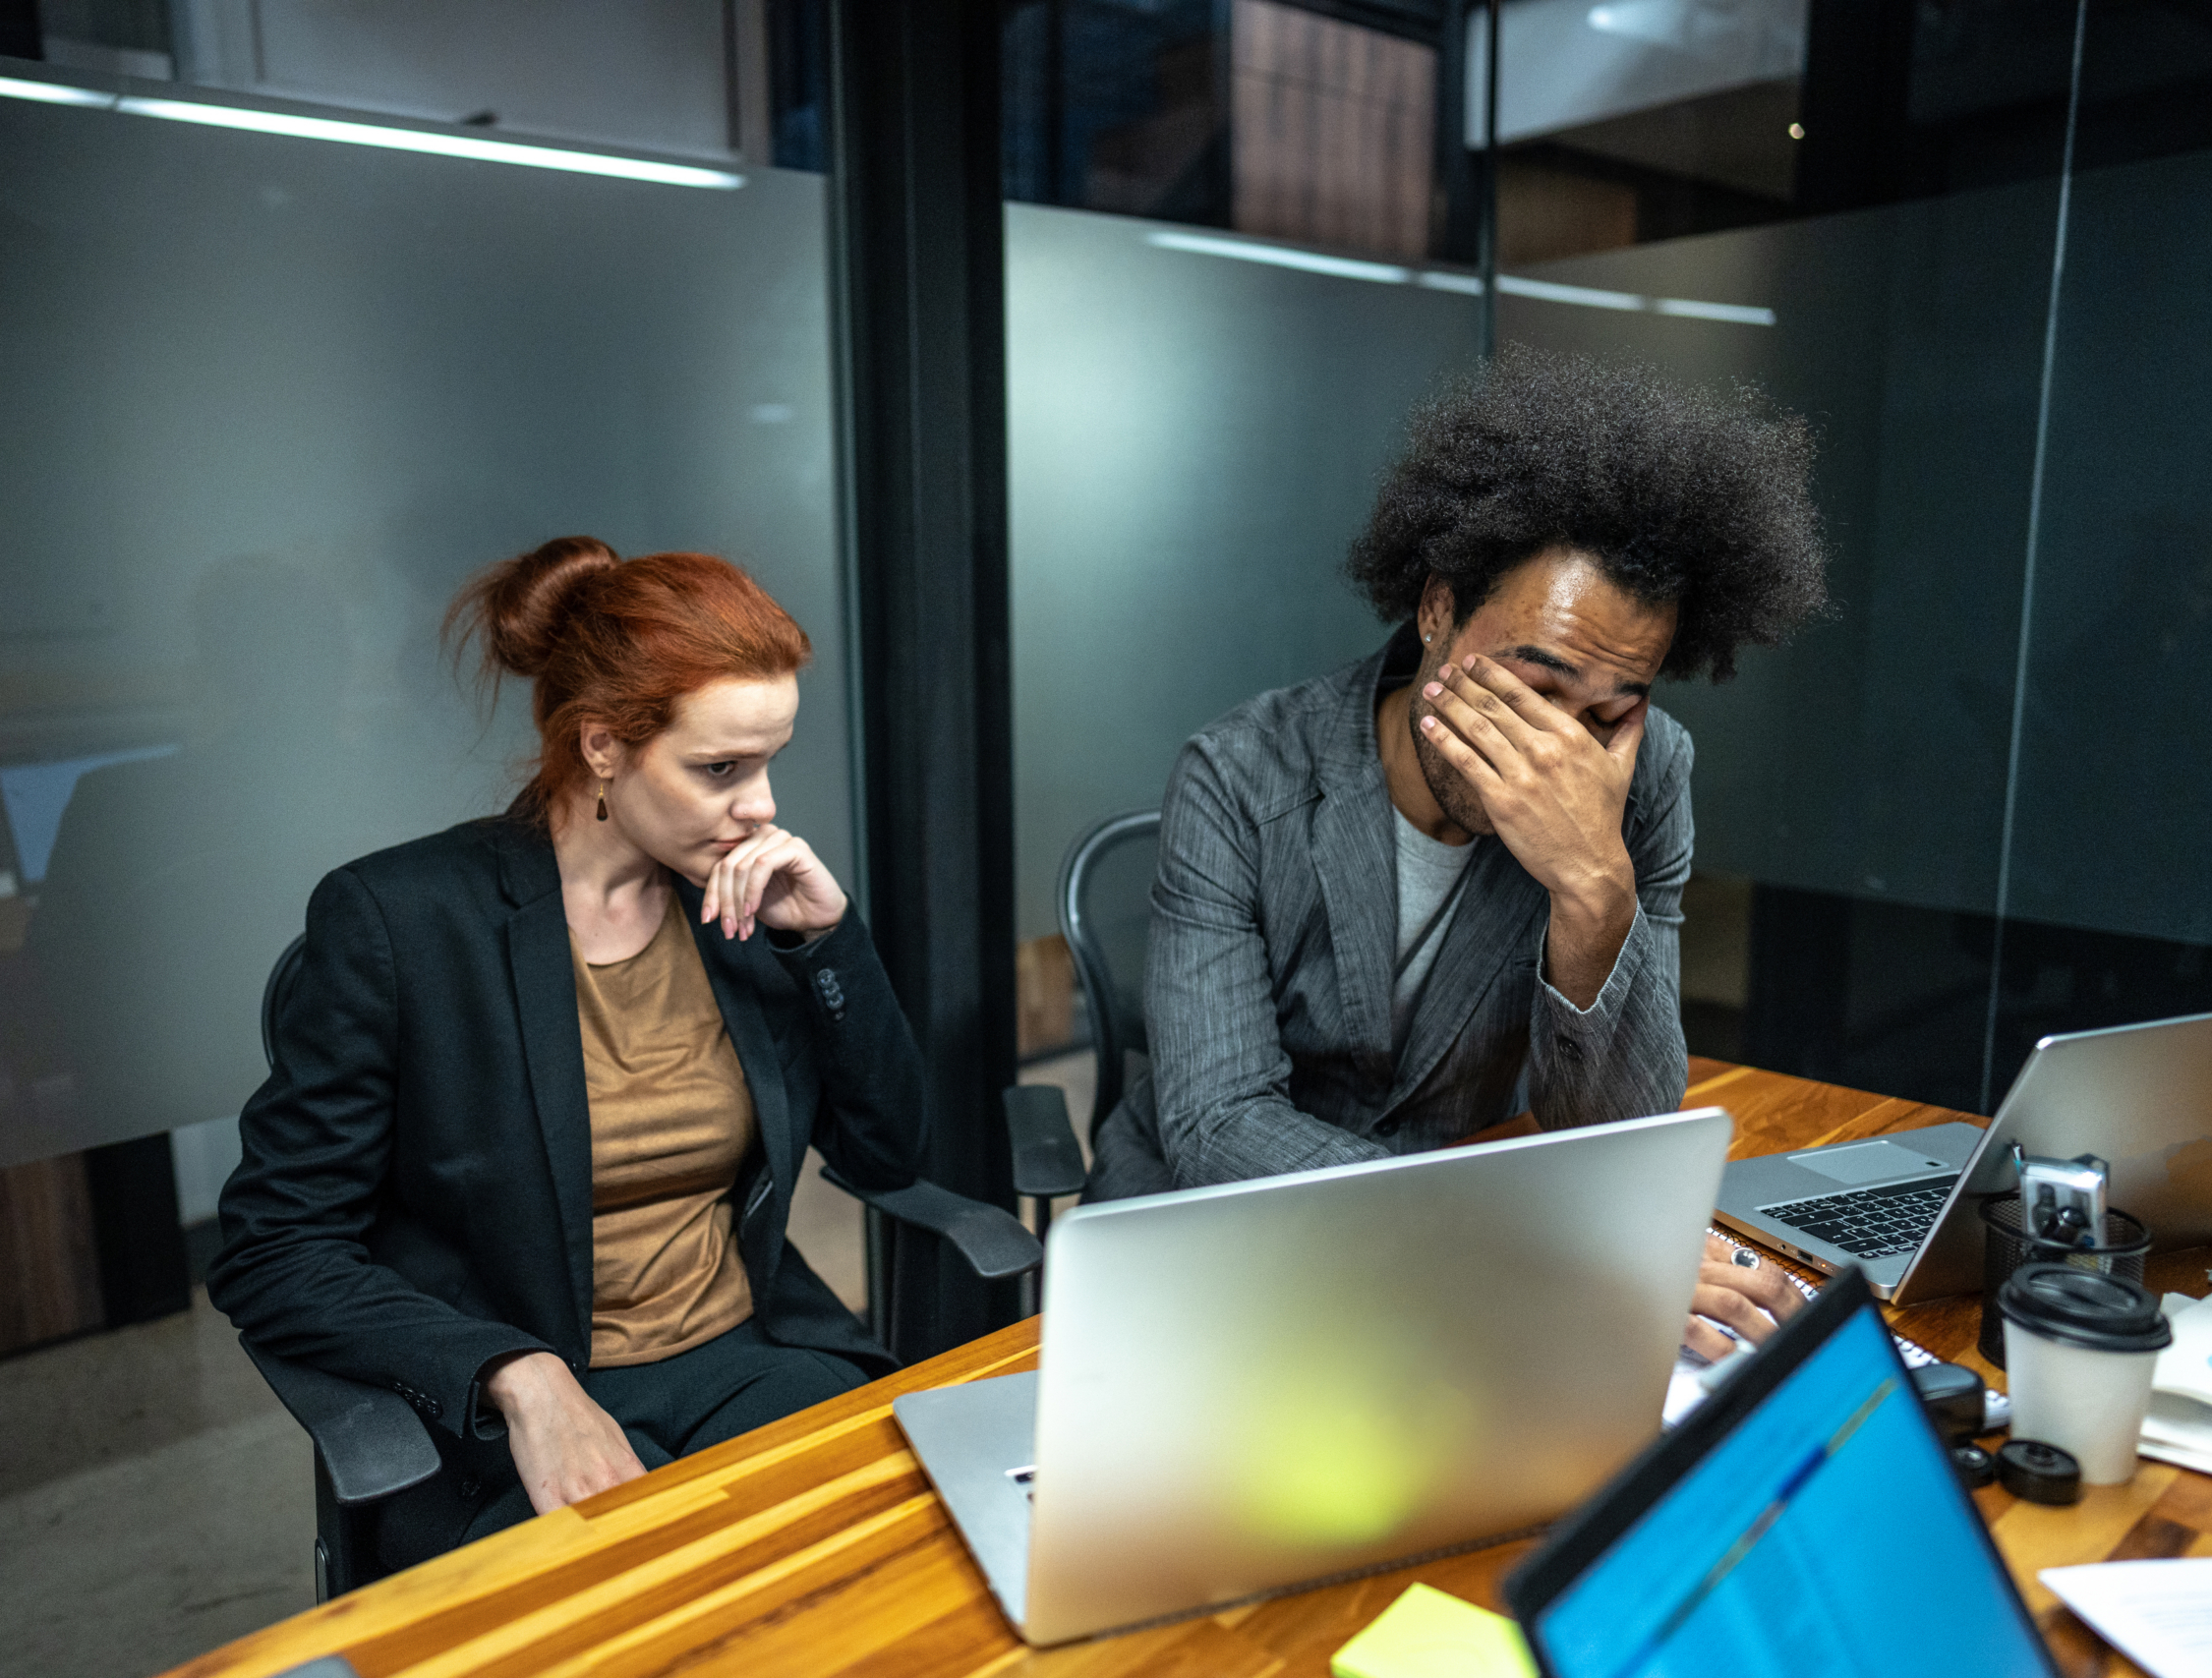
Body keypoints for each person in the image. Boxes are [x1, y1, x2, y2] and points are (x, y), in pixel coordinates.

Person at [1085, 349, 1832, 1360]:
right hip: (1218, 1250)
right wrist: (1520, 1239)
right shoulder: (1241, 774)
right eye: (1532, 686)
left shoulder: (1644, 774)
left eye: (1606, 710)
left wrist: (1594, 887)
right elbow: (1220, 1127)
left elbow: (1621, 1138)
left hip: (1453, 1288)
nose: (1557, 750)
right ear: (1437, 608)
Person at [207, 537, 924, 1570]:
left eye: (768, 762)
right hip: (523, 1402)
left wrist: (822, 942)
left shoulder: (739, 904)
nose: (762, 805)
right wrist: (519, 1376)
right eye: (719, 769)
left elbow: (887, 1154)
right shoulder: (401, 920)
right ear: (601, 747)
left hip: (750, 1360)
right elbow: (275, 1248)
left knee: (879, 1590)